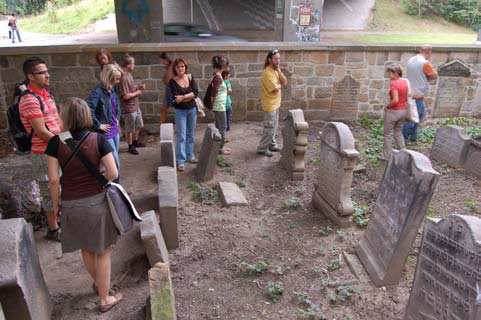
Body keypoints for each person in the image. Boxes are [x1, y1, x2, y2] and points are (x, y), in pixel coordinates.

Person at [45, 97, 123, 312]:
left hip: (70, 203)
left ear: (66, 117)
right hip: (96, 203)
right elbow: (113, 172)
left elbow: (52, 180)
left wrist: (56, 206)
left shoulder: (55, 142)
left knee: (86, 249)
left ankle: (99, 284)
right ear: (86, 115)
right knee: (104, 251)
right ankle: (105, 298)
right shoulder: (98, 139)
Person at [19, 57, 61, 241]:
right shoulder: (29, 99)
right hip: (43, 153)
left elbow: (57, 123)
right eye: (42, 72)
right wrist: (66, 145)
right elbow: (42, 132)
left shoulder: (47, 94)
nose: (47, 75)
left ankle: (59, 221)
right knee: (48, 189)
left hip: (56, 149)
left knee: (58, 187)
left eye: (46, 71)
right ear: (30, 76)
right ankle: (53, 229)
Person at [86, 63, 122, 171]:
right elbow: (88, 109)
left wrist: (117, 119)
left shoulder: (112, 89)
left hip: (114, 129)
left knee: (114, 162)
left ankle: (112, 185)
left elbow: (115, 106)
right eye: (116, 79)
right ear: (109, 78)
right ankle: (115, 185)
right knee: (114, 164)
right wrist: (98, 125)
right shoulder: (97, 92)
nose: (118, 81)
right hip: (105, 133)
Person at [168, 58, 198, 172]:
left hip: (192, 109)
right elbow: (176, 99)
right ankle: (181, 160)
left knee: (191, 134)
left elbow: (195, 93)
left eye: (182, 66)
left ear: (185, 67)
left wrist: (184, 97)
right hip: (180, 111)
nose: (180, 69)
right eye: (178, 67)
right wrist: (188, 96)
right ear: (175, 68)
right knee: (181, 136)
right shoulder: (172, 81)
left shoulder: (190, 77)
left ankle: (190, 155)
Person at [403, 45, 438, 143]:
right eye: (430, 54)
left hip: (410, 92)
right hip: (417, 94)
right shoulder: (425, 63)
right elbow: (434, 75)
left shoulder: (411, 60)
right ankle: (404, 138)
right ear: (428, 52)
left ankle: (413, 136)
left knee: (420, 115)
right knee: (413, 118)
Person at [257, 49, 287, 157]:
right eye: (276, 59)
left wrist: (279, 71)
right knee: (269, 127)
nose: (278, 60)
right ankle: (262, 148)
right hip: (269, 105)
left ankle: (272, 144)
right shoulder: (267, 73)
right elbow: (275, 89)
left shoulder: (275, 70)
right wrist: (279, 85)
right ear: (270, 59)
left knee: (274, 127)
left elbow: (285, 81)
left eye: (279, 58)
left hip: (276, 103)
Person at [383, 64, 410, 161]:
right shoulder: (405, 82)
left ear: (395, 73)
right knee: (398, 133)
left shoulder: (394, 83)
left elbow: (395, 100)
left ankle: (387, 156)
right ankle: (404, 153)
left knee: (387, 134)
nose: (389, 75)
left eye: (390, 73)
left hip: (394, 112)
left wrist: (387, 106)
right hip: (403, 111)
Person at [119, 54, 145, 155]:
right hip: (129, 108)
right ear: (128, 65)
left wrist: (138, 87)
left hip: (136, 105)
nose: (134, 65)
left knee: (139, 125)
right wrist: (137, 92)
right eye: (133, 63)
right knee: (129, 128)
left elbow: (131, 88)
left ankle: (135, 142)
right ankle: (130, 146)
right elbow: (125, 96)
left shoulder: (129, 74)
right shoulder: (124, 78)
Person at [210, 55, 231, 155]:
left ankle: (217, 147)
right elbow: (213, 93)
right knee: (222, 127)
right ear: (222, 65)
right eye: (226, 64)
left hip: (219, 106)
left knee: (219, 127)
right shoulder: (218, 77)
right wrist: (213, 105)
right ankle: (220, 149)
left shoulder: (218, 76)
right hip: (219, 107)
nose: (227, 66)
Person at [160, 52, 174, 124]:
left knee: (164, 108)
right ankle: (162, 126)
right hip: (169, 89)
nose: (162, 62)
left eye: (162, 61)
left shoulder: (171, 67)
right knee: (164, 109)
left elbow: (167, 80)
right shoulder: (168, 67)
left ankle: (162, 126)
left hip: (172, 90)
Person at [222, 69, 233, 141]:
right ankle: (223, 138)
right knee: (227, 122)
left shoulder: (221, 81)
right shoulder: (227, 81)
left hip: (223, 104)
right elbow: (230, 91)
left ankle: (223, 137)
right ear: (226, 75)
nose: (229, 75)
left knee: (223, 122)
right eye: (228, 74)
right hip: (227, 104)